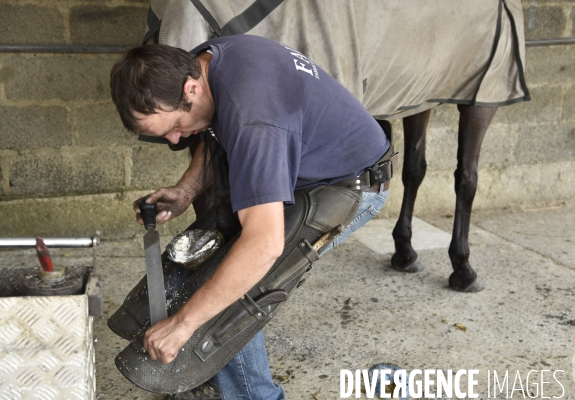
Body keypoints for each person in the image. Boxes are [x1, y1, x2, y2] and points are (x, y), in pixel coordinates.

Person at [110, 34, 393, 399]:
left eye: (175, 127)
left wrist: (182, 325)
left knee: (237, 286)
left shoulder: (254, 118)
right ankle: (210, 374)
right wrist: (188, 189)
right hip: (302, 162)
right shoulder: (206, 61)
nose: (177, 140)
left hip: (348, 185)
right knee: (216, 270)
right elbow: (214, 126)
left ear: (191, 87)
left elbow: (264, 245)